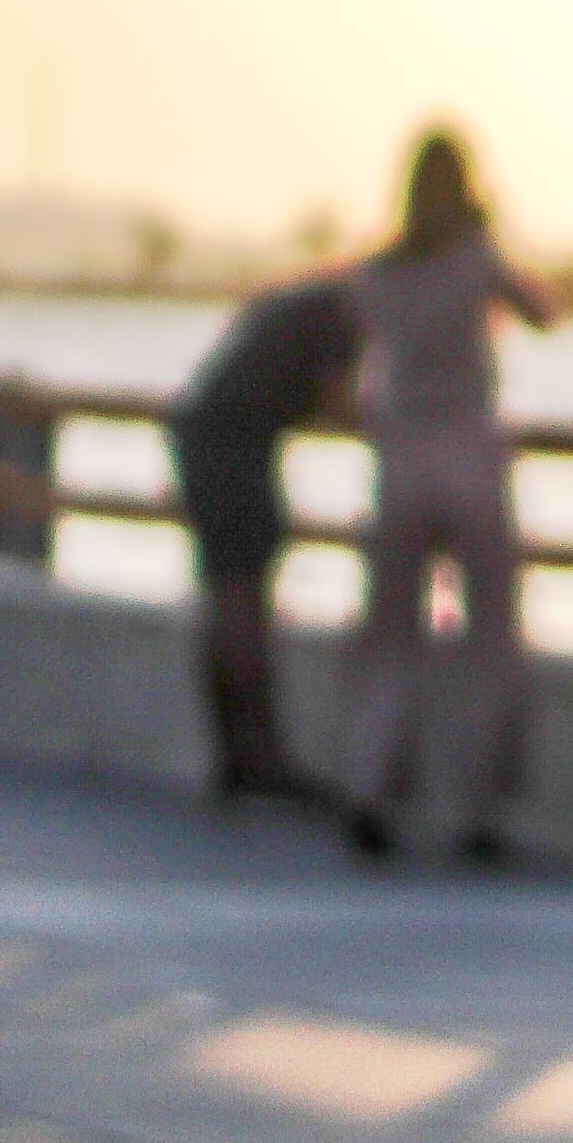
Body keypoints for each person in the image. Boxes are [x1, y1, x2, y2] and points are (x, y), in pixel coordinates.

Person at [337, 129, 555, 861]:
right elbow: (542, 312)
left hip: (399, 462)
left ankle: (369, 789)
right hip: (468, 459)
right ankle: (478, 812)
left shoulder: (377, 272)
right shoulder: (476, 261)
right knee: (487, 640)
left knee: (390, 640)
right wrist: (493, 239)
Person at [161, 268, 357, 803]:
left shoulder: (302, 300)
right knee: (242, 596)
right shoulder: (341, 317)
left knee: (228, 594)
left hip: (206, 436)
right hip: (233, 448)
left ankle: (235, 757)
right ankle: (258, 757)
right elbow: (337, 401)